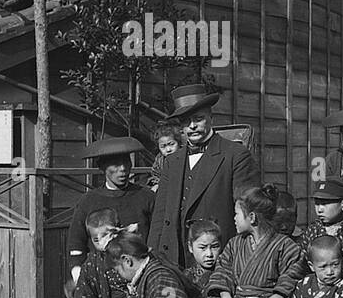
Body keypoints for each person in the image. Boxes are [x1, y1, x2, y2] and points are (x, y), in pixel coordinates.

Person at [149, 83, 260, 269]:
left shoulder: (235, 155)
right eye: (185, 122)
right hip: (175, 255)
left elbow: (247, 211)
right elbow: (160, 214)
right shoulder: (172, 161)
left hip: (217, 254)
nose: (192, 126)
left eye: (198, 119)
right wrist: (152, 254)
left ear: (211, 118)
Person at [66, 137, 155, 278]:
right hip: (100, 275)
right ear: (102, 167)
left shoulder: (146, 197)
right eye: (115, 165)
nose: (123, 169)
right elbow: (76, 242)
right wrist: (77, 272)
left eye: (126, 163)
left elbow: (156, 236)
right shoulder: (89, 201)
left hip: (140, 271)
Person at [148, 122, 183, 191]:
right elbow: (155, 175)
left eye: (172, 144)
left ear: (178, 142)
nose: (168, 149)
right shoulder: (159, 159)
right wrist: (156, 184)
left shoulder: (186, 155)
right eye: (163, 146)